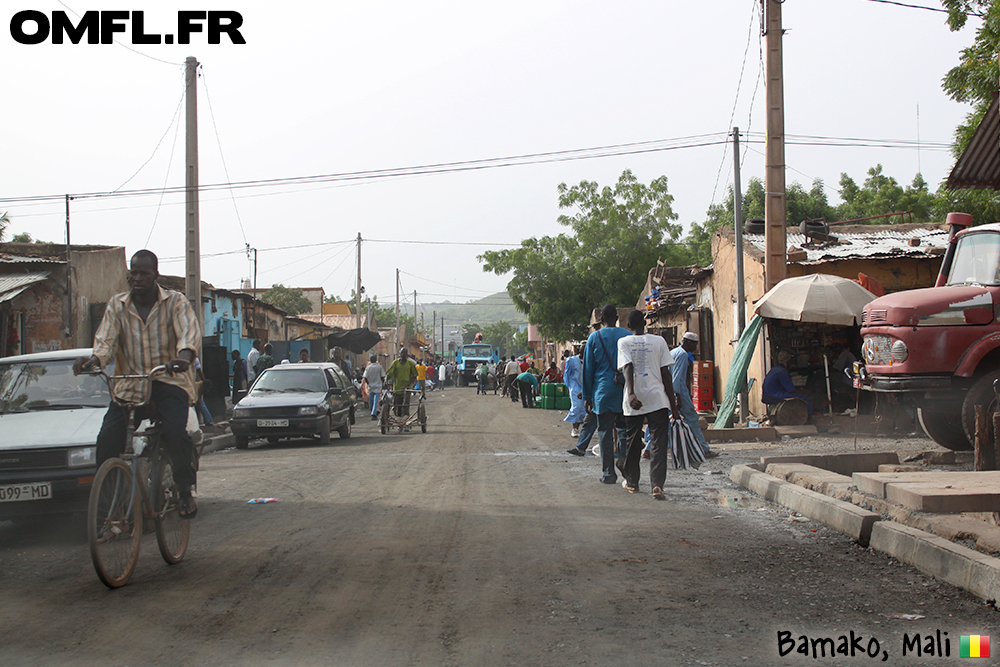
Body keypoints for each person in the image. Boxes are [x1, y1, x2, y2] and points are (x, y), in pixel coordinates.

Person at [73, 249, 202, 519]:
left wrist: (184, 357)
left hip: (168, 380)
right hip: (130, 386)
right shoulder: (117, 305)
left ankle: (184, 490)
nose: (138, 278)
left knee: (176, 433)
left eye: (144, 272)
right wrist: (93, 360)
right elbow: (106, 344)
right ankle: (110, 502)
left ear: (156, 274)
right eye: (134, 272)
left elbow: (188, 333)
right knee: (107, 439)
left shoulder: (175, 302)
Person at [618, 309, 680, 499]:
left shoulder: (624, 342)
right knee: (659, 443)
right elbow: (666, 375)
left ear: (628, 327)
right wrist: (674, 406)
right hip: (657, 398)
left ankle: (633, 482)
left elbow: (627, 367)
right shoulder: (659, 341)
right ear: (645, 323)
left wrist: (631, 393)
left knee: (632, 442)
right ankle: (657, 484)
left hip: (635, 400)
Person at [583, 304, 630, 485]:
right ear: (617, 317)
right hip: (624, 390)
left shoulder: (594, 338)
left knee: (604, 432)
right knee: (624, 429)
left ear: (601, 320)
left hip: (602, 392)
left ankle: (608, 473)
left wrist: (587, 396)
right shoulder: (626, 335)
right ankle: (625, 463)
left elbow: (588, 369)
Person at [668, 332, 718, 459]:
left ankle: (649, 449)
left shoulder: (674, 352)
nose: (695, 348)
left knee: (665, 421)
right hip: (679, 392)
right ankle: (703, 449)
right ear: (689, 343)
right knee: (692, 419)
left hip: (669, 391)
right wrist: (677, 397)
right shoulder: (682, 355)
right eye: (695, 345)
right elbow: (677, 378)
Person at [386, 348, 419, 418]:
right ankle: (399, 418)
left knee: (406, 404)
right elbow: (389, 373)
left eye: (405, 353)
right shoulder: (395, 363)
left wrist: (410, 383)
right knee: (398, 404)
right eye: (402, 353)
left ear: (407, 354)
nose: (403, 354)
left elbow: (415, 375)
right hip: (397, 387)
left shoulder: (410, 363)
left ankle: (406, 417)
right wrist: (385, 381)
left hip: (407, 387)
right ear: (399, 354)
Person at [563, 346, 586, 441]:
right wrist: (569, 386)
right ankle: (575, 429)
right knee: (576, 406)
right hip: (574, 385)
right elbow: (567, 374)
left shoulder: (589, 360)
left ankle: (581, 429)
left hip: (585, 386)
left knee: (584, 408)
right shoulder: (572, 360)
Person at [363, 354, 387, 420]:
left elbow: (365, 377)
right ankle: (374, 413)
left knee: (371, 400)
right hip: (378, 386)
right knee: (376, 400)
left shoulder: (368, 368)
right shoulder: (379, 367)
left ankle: (372, 411)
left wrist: (368, 383)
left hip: (371, 386)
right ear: (376, 360)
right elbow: (382, 376)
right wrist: (383, 383)